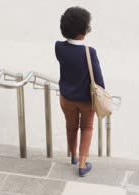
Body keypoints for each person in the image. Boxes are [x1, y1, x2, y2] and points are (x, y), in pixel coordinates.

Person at [55, 6, 105, 177]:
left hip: (66, 98)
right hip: (85, 100)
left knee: (71, 126)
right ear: (85, 31)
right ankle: (83, 164)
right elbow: (98, 80)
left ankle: (74, 156)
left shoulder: (58, 47)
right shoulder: (89, 52)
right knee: (87, 127)